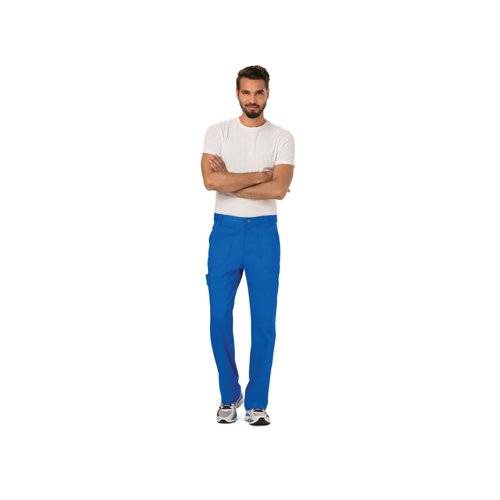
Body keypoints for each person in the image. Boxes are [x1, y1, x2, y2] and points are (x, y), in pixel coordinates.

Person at [200, 65, 295, 426]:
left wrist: (230, 180)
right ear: (237, 94)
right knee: (219, 317)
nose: (252, 99)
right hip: (225, 232)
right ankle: (229, 394)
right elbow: (210, 181)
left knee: (264, 321)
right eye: (246, 92)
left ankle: (257, 403)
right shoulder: (218, 132)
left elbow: (278, 189)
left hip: (263, 235)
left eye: (259, 92)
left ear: (267, 94)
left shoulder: (282, 137)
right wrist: (259, 176)